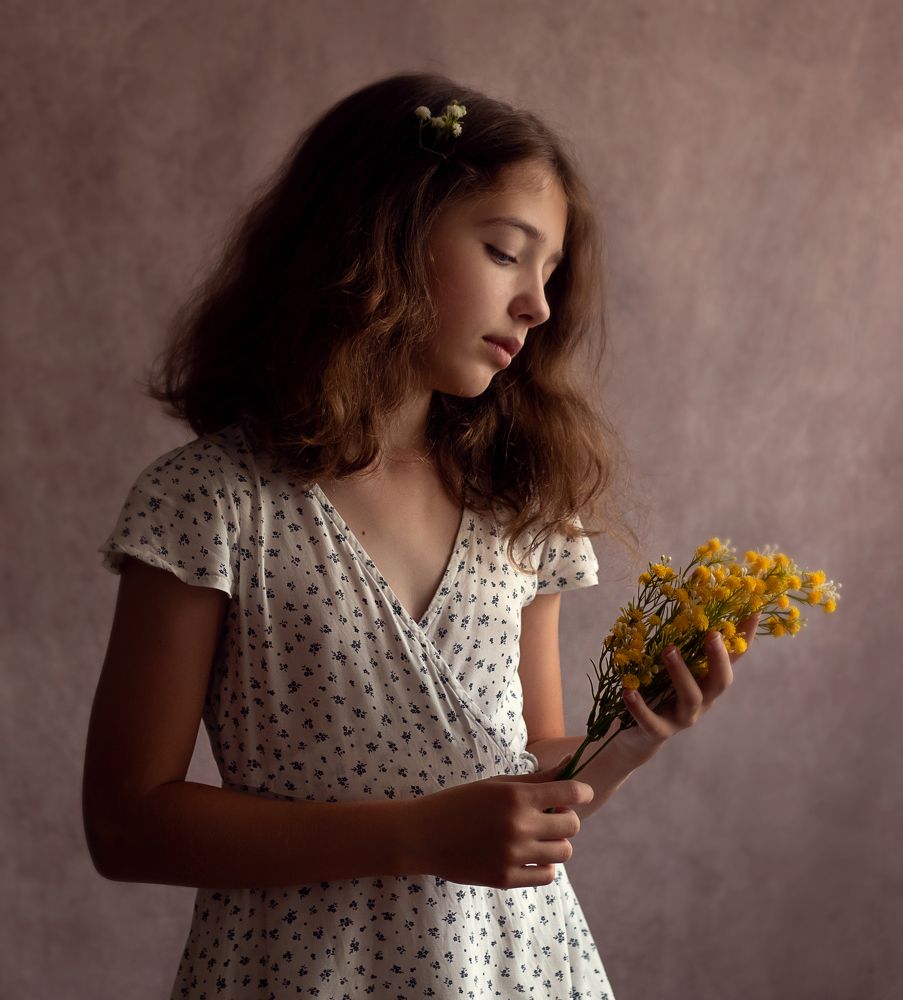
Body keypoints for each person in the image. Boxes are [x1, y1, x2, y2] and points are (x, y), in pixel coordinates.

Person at [83, 71, 756, 1000]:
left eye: (549, 274)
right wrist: (413, 835)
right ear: (384, 234)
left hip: (512, 973)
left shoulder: (521, 510)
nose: (537, 306)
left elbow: (527, 778)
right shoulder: (211, 505)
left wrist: (634, 735)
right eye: (504, 253)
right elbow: (126, 825)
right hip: (295, 975)